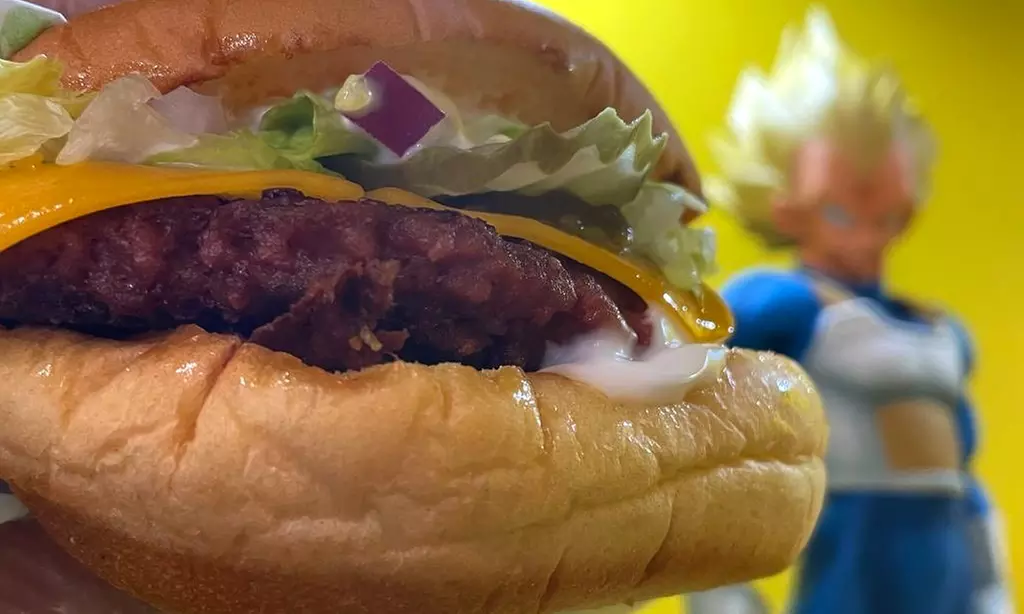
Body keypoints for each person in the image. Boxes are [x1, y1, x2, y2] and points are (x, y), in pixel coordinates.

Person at [689, 8, 1014, 614]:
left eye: (886, 217)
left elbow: (965, 476)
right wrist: (721, 593)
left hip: (948, 554)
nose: (867, 235)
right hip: (855, 553)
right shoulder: (783, 304)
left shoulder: (939, 329)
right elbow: (706, 438)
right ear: (788, 207)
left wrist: (993, 583)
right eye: (841, 213)